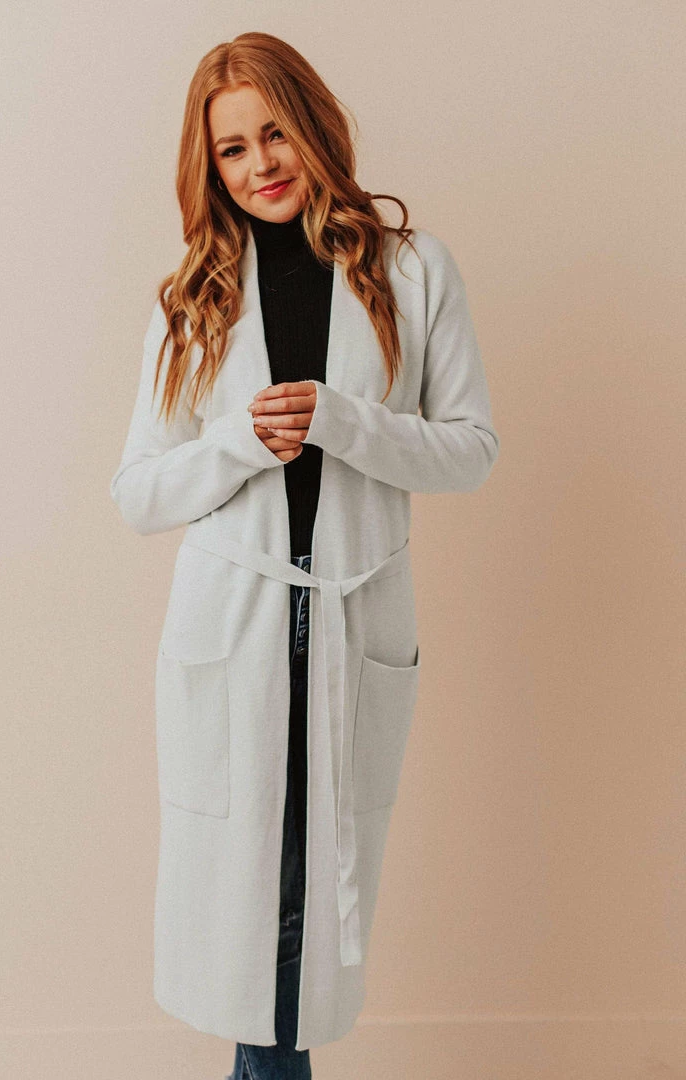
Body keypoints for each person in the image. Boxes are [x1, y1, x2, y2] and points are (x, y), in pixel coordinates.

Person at [109, 30, 500, 1080]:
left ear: (316, 126)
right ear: (210, 166)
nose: (261, 164)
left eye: (275, 132)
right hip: (232, 630)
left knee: (306, 904)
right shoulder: (191, 298)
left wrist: (344, 421)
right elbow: (139, 494)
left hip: (353, 621)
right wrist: (240, 442)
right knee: (250, 910)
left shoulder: (412, 271)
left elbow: (472, 451)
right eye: (232, 149)